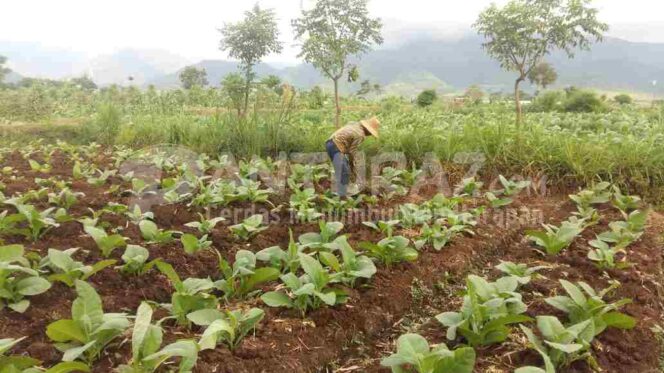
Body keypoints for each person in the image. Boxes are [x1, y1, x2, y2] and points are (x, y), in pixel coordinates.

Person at [325, 116, 380, 197]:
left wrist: (352, 166)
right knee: (344, 171)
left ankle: (339, 191)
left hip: (330, 143)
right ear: (367, 130)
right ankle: (341, 196)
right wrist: (352, 163)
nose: (370, 135)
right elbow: (352, 152)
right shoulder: (360, 135)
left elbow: (348, 145)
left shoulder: (355, 125)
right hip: (335, 146)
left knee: (343, 168)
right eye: (370, 133)